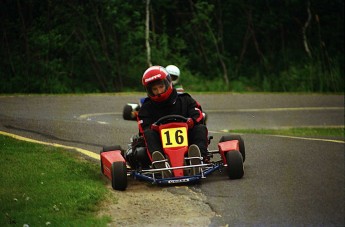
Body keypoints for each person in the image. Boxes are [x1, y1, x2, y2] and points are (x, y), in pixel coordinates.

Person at [137, 65, 208, 176]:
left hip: (188, 140)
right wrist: (153, 128)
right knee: (148, 134)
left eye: (160, 87)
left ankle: (198, 160)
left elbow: (198, 113)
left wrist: (192, 121)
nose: (158, 92)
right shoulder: (146, 107)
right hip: (160, 143)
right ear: (149, 91)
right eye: (154, 89)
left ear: (167, 83)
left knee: (200, 128)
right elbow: (143, 127)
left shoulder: (184, 99)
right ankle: (162, 164)